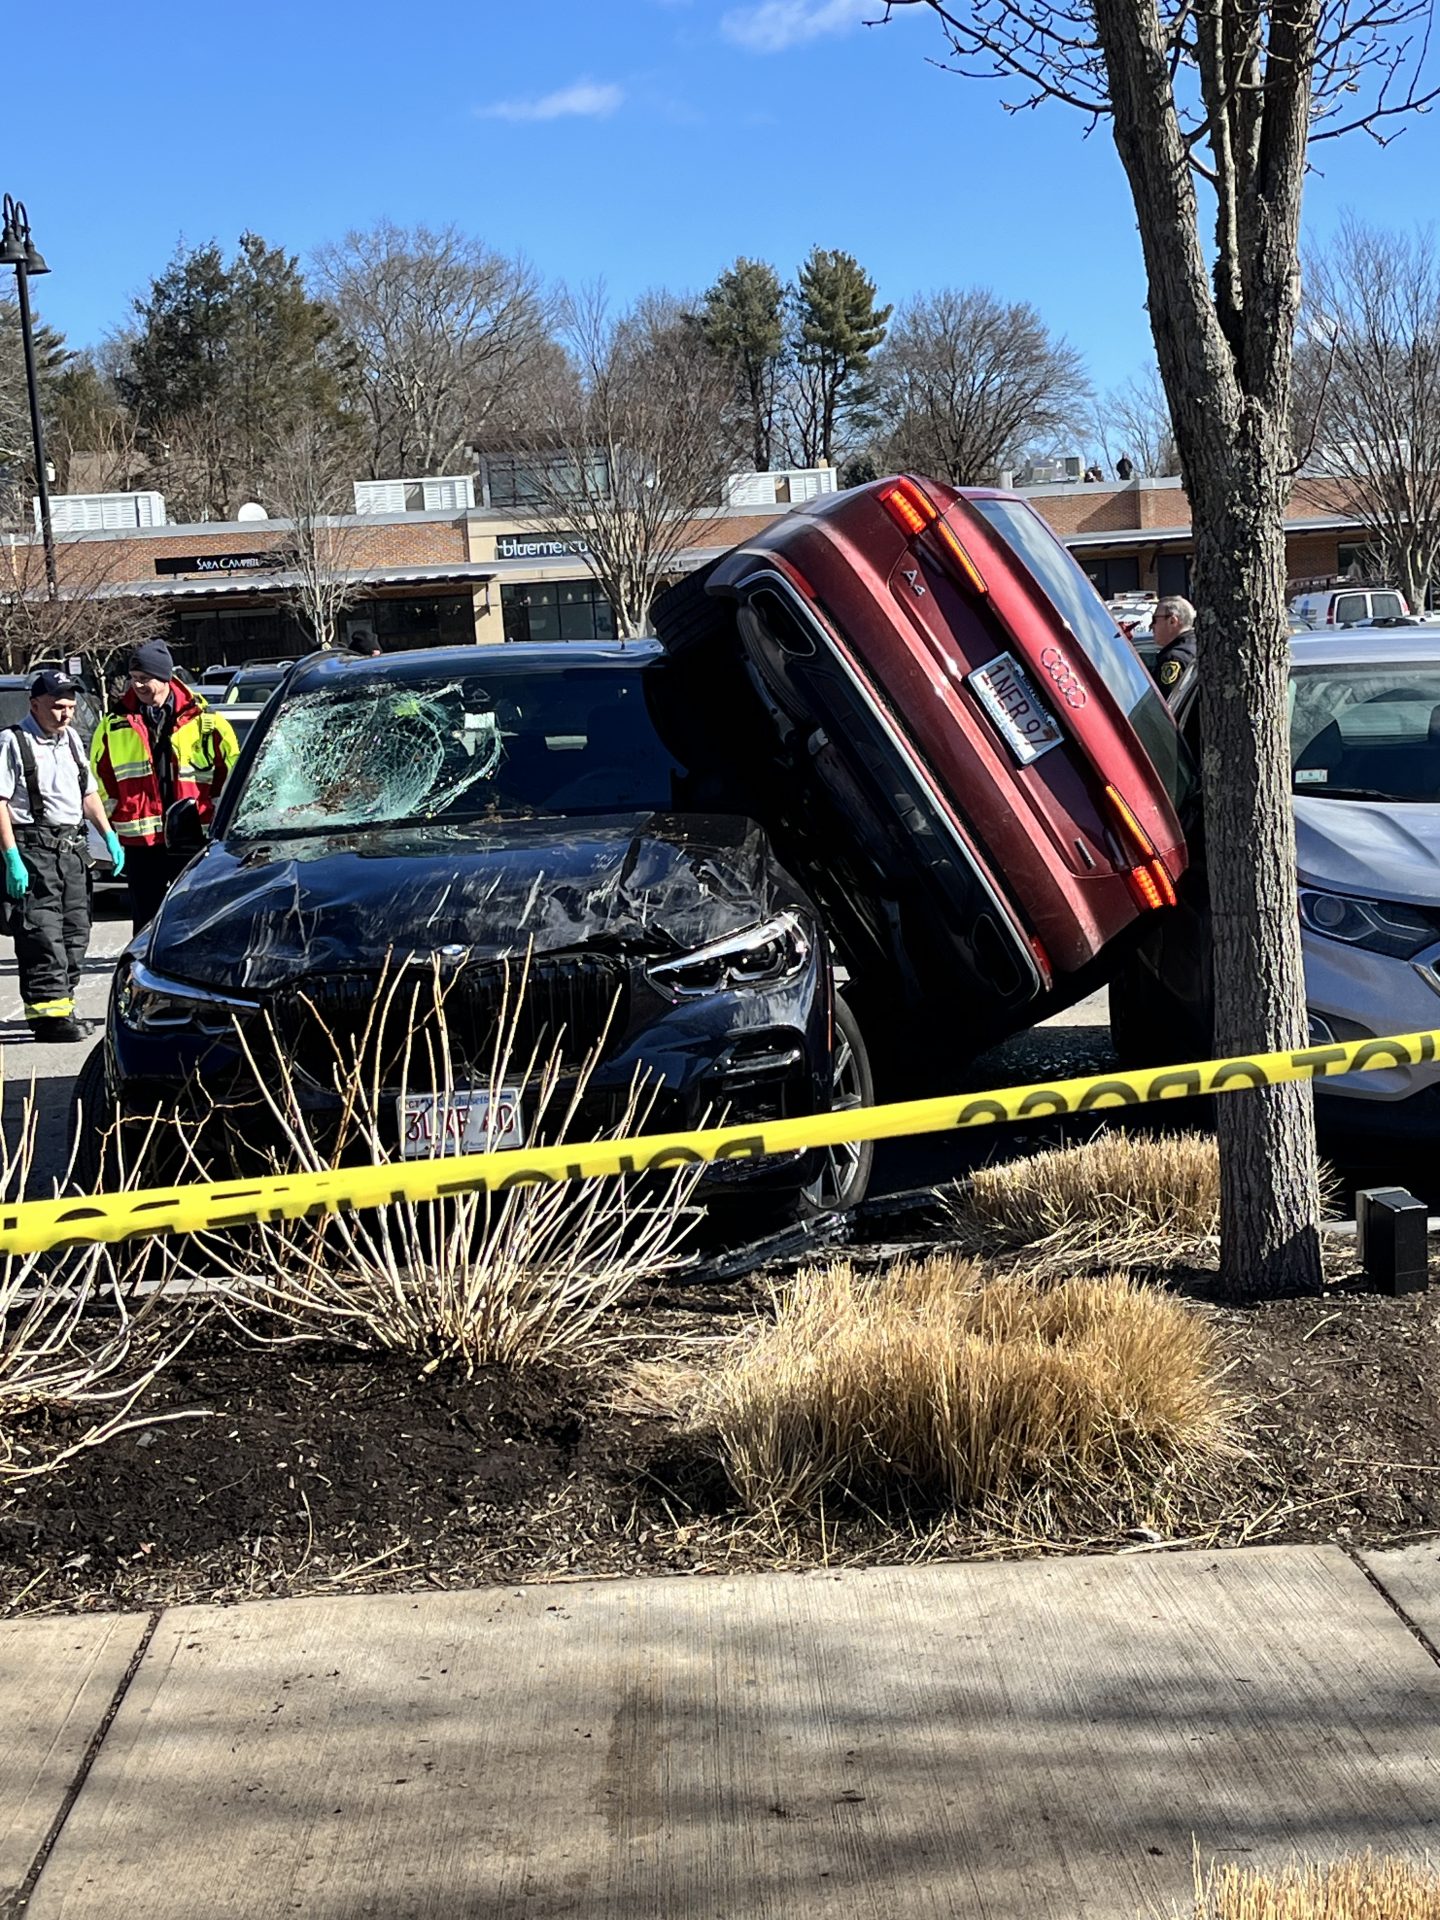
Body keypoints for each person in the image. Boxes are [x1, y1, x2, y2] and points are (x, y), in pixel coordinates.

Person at [0, 670, 126, 1042]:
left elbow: (88, 795)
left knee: (76, 932)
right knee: (43, 934)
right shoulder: (12, 742)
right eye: (57, 706)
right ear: (34, 705)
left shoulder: (70, 740)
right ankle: (48, 1018)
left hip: (70, 849)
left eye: (70, 707)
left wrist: (109, 836)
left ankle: (62, 1006)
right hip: (33, 849)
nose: (65, 714)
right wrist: (11, 858)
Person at [91, 639, 240, 934]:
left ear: (165, 677)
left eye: (144, 679)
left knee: (198, 918)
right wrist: (112, 823)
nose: (137, 686)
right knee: (146, 925)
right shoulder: (114, 723)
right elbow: (97, 780)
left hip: (194, 838)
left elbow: (235, 777)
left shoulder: (207, 721)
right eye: (133, 679)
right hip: (141, 843)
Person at [1152, 595, 1198, 701]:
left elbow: (1165, 707)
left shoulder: (1173, 658)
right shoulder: (1197, 646)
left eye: (1155, 620)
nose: (1151, 626)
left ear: (1172, 621)